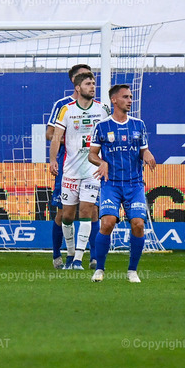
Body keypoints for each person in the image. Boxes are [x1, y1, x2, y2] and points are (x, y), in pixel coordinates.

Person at [88, 84, 156, 283]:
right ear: (114, 100)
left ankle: (132, 271)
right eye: (125, 97)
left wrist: (147, 153)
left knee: (138, 224)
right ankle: (99, 269)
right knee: (107, 222)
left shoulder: (138, 125)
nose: (130, 100)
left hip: (134, 184)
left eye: (131, 97)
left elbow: (143, 149)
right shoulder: (102, 127)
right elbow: (92, 154)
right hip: (111, 184)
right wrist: (102, 163)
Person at [49, 73, 109, 270]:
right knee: (67, 215)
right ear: (77, 87)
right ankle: (69, 253)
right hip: (70, 170)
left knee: (87, 211)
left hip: (92, 170)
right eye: (88, 84)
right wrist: (52, 160)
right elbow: (56, 137)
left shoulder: (102, 109)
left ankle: (78, 260)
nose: (92, 87)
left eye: (93, 83)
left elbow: (110, 134)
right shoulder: (66, 110)